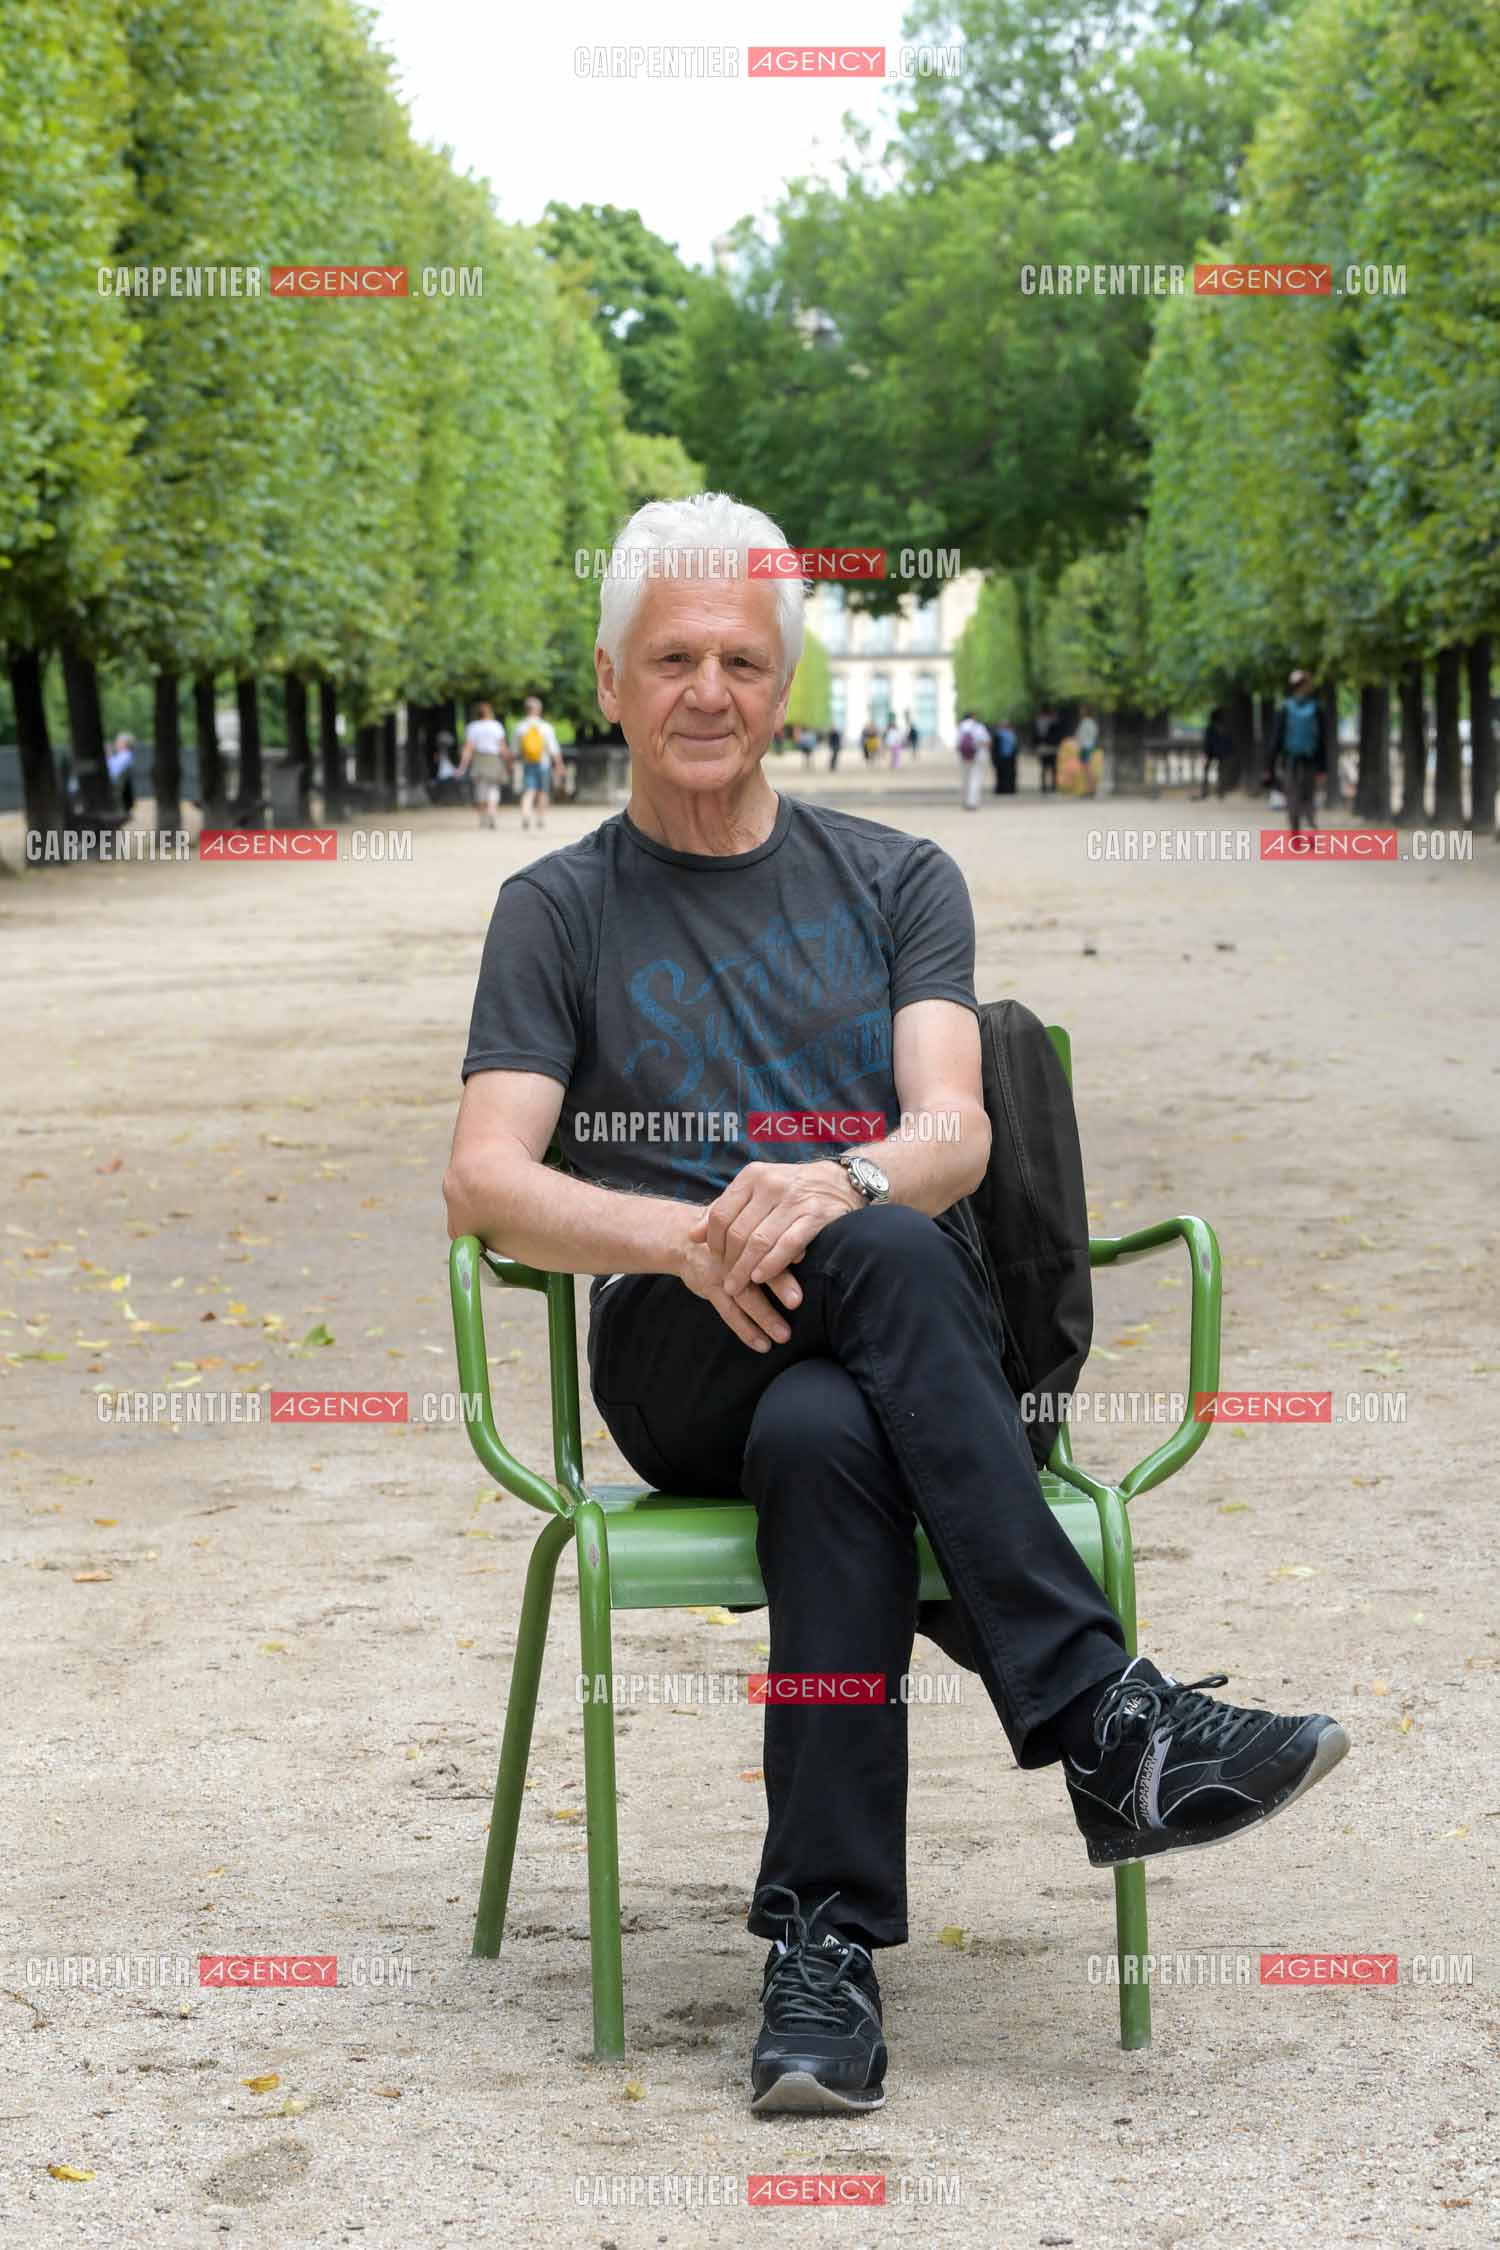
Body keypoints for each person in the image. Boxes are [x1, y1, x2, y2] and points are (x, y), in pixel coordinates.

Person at [446, 489, 1349, 2119]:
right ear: (607, 680)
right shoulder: (556, 910)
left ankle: (820, 1958)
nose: (706, 690)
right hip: (670, 1352)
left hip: (863, 1358)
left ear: (785, 679)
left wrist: (836, 1186)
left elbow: (952, 1132)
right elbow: (485, 1182)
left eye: (739, 657)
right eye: (671, 659)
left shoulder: (899, 877)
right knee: (849, 1295)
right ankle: (1101, 1712)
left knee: (830, 1419)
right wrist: (686, 1240)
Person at [1270, 670, 1326, 835]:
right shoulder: (1316, 709)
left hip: (1291, 760)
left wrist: (1270, 764)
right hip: (1310, 759)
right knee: (1309, 794)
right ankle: (1309, 822)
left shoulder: (1285, 708)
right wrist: (1323, 767)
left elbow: (1276, 739)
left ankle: (1295, 830)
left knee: (1292, 794)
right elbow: (1322, 740)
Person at [515, 695, 566, 833]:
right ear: (538, 710)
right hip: (543, 763)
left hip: (527, 762)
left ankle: (526, 814)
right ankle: (540, 817)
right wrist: (559, 764)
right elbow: (553, 748)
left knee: (529, 790)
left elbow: (515, 749)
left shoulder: (520, 727)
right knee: (543, 791)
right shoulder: (545, 727)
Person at [456, 700, 510, 829]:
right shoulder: (496, 726)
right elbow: (502, 747)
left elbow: (468, 748)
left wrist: (462, 766)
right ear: (489, 713)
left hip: (479, 759)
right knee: (493, 788)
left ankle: (482, 817)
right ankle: (492, 812)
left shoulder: (473, 727)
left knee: (480, 789)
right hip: (494, 759)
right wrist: (509, 761)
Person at [956, 710, 989, 811]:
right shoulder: (979, 727)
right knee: (975, 779)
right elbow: (986, 741)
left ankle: (965, 800)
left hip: (964, 757)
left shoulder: (961, 727)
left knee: (965, 779)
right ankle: (973, 802)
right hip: (978, 755)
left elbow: (957, 743)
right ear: (973, 717)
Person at [1199, 707, 1232, 800]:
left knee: (1207, 771)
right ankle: (1220, 792)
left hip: (1211, 752)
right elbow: (1228, 742)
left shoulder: (1211, 728)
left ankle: (1205, 791)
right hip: (1221, 753)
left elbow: (1207, 742)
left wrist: (1205, 753)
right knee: (1221, 772)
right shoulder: (1223, 728)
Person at [106, 732, 136, 818]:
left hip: (115, 786)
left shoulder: (125, 756)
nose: (116, 743)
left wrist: (108, 756)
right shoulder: (121, 756)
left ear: (125, 744)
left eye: (118, 742)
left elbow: (113, 773)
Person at [1034, 704, 1062, 793]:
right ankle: (1053, 785)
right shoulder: (1054, 720)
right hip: (1053, 746)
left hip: (1043, 746)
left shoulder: (1039, 721)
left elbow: (1036, 734)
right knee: (1053, 767)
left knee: (1044, 767)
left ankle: (1044, 786)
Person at [988, 717, 1018, 796]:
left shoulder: (998, 734)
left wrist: (993, 758)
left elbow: (994, 748)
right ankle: (1009, 789)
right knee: (1008, 774)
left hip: (1001, 758)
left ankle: (1001, 789)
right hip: (1009, 758)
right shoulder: (1011, 734)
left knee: (1001, 774)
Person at [1076, 705, 1100, 797]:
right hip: (1088, 746)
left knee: (1087, 769)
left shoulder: (1086, 722)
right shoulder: (1091, 723)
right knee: (1087, 769)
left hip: (1086, 747)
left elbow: (1081, 736)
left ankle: (1090, 789)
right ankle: (1090, 788)